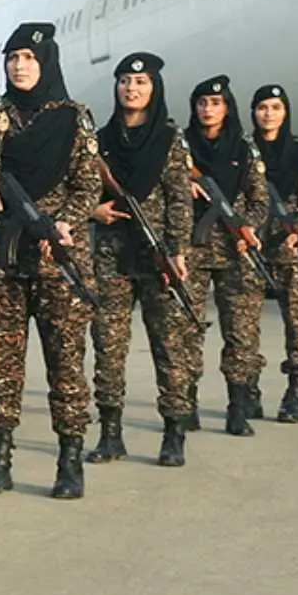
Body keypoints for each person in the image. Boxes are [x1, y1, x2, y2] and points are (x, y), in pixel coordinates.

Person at [0, 23, 98, 499]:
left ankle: (70, 461)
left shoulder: (74, 118)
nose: (19, 66)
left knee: (65, 365)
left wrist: (64, 222)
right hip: (5, 263)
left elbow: (88, 184)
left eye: (29, 58)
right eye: (12, 58)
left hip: (58, 260)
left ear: (46, 63)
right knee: (0, 365)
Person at [88, 53, 197, 465]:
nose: (131, 89)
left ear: (154, 89)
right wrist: (93, 211)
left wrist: (178, 250)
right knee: (108, 345)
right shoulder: (100, 140)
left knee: (169, 345)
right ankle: (110, 433)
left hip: (158, 255)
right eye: (125, 81)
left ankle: (173, 433)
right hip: (111, 256)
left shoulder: (169, 140)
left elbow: (180, 199)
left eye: (140, 82)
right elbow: (81, 187)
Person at [185, 75, 268, 436]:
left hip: (236, 252)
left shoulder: (244, 148)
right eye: (202, 103)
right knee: (187, 330)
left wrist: (247, 227)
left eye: (215, 103)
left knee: (240, 331)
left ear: (227, 108)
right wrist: (185, 183)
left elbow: (260, 199)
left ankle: (237, 407)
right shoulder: (181, 148)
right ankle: (186, 404)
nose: (208, 109)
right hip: (193, 251)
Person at [251, 83, 298, 423]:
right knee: (244, 326)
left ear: (285, 112)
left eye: (276, 108)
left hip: (291, 248)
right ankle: (248, 390)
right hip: (252, 248)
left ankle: (296, 391)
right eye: (262, 108)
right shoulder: (245, 149)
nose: (269, 114)